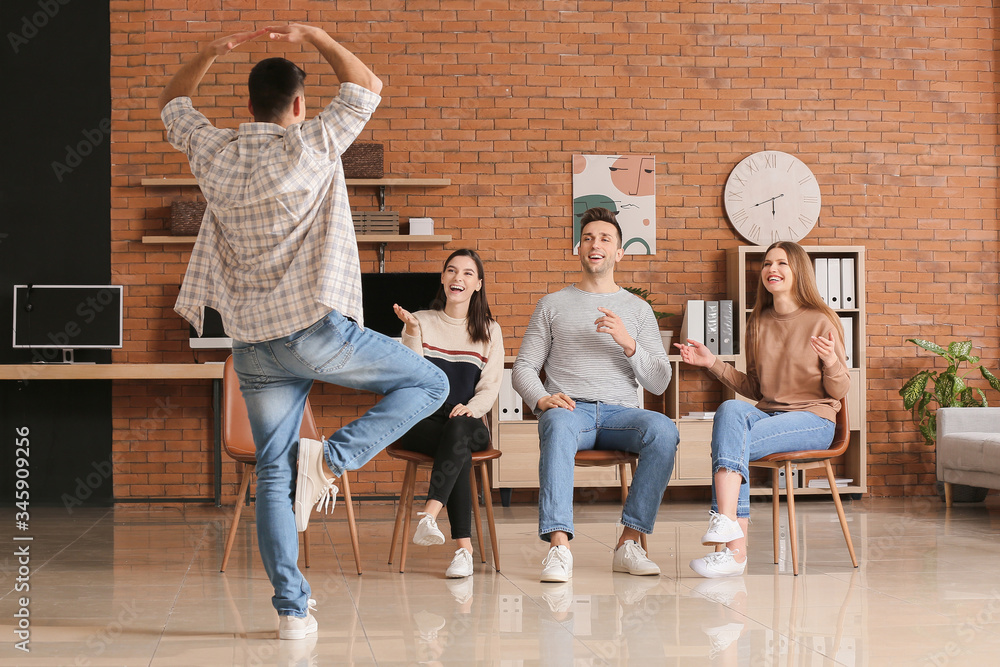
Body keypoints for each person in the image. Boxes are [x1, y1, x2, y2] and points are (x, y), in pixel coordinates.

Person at [158, 25, 447, 639]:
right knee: (429, 384)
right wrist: (314, 33)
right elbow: (366, 84)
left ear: (249, 106)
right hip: (314, 331)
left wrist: (209, 49)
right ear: (298, 105)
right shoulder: (312, 144)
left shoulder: (214, 152)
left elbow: (173, 103)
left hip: (253, 345)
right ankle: (333, 460)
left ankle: (291, 612)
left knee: (271, 472)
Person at [512, 207, 679, 583]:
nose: (595, 244)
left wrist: (628, 342)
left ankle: (629, 543)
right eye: (588, 238)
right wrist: (541, 399)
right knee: (554, 421)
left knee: (664, 430)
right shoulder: (551, 304)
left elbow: (660, 382)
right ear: (578, 248)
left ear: (619, 252)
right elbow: (523, 367)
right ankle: (559, 546)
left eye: (605, 238)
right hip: (573, 411)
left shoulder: (637, 310)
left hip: (624, 414)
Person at [677, 240, 849, 578]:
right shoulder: (758, 322)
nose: (772, 269)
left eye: (782, 263)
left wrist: (831, 361)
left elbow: (840, 390)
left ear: (798, 270)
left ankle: (733, 543)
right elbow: (755, 388)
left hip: (814, 418)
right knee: (730, 411)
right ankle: (729, 531)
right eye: (767, 264)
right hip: (770, 414)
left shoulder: (822, 320)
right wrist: (712, 362)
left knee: (730, 447)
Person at [393, 249, 504, 579]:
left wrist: (471, 409)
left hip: (470, 421)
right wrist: (411, 331)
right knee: (457, 452)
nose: (459, 278)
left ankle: (431, 512)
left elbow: (490, 386)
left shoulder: (489, 330)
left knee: (459, 431)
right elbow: (411, 377)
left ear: (478, 284)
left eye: (468, 273)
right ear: (443, 279)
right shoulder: (421, 320)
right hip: (425, 422)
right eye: (452, 271)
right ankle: (463, 550)